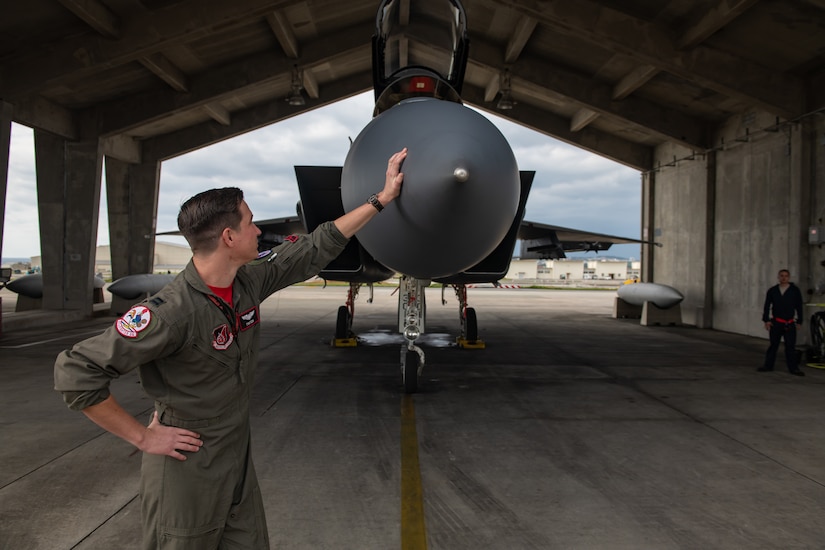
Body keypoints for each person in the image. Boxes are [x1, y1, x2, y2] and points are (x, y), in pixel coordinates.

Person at [54, 148, 407, 549]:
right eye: (251, 223)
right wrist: (143, 438)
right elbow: (75, 372)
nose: (258, 231)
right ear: (229, 237)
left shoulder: (248, 281)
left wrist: (382, 198)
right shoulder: (170, 313)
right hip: (187, 469)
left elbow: (314, 247)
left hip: (236, 458)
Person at [758, 268, 805, 376]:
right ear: (778, 277)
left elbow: (799, 306)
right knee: (773, 345)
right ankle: (768, 366)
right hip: (776, 322)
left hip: (789, 323)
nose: (784, 278)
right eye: (782, 276)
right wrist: (767, 320)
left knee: (790, 347)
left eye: (786, 276)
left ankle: (794, 369)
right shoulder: (773, 291)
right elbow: (767, 306)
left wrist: (799, 321)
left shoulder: (794, 291)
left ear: (789, 277)